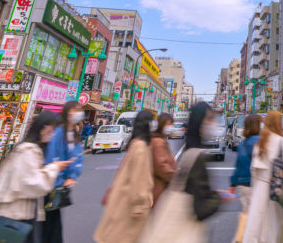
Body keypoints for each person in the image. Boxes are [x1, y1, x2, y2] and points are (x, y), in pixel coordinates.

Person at [0, 111, 71, 241]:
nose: (53, 134)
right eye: (52, 129)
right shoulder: (27, 151)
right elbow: (32, 183)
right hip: (15, 216)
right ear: (44, 128)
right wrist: (54, 168)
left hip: (23, 214)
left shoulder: (30, 149)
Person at [139, 103, 222, 243]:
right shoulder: (197, 157)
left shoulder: (189, 152)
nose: (213, 123)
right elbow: (201, 208)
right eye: (209, 119)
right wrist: (218, 198)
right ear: (199, 122)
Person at [94, 110, 155, 243]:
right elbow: (138, 178)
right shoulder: (141, 147)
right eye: (152, 121)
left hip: (123, 198)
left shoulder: (135, 143)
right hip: (130, 203)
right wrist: (138, 206)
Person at [243, 110, 283, 243]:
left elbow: (253, 171)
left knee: (258, 231)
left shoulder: (260, 143)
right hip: (276, 193)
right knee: (276, 231)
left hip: (259, 192)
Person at [42, 101, 85, 243]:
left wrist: (72, 176)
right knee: (48, 226)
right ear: (68, 112)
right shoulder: (59, 132)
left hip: (60, 188)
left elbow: (77, 157)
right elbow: (53, 158)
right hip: (51, 186)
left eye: (80, 109)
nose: (79, 112)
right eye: (76, 109)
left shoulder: (73, 133)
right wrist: (60, 180)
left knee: (52, 226)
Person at [230, 114, 261, 243]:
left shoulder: (242, 144)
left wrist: (232, 184)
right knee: (259, 217)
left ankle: (242, 237)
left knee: (247, 214)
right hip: (259, 184)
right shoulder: (263, 142)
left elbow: (239, 165)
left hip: (243, 184)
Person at [151, 113, 177, 204]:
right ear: (161, 125)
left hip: (160, 189)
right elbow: (161, 165)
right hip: (159, 190)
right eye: (168, 124)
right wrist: (175, 177)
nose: (171, 127)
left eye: (172, 124)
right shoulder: (158, 142)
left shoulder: (161, 140)